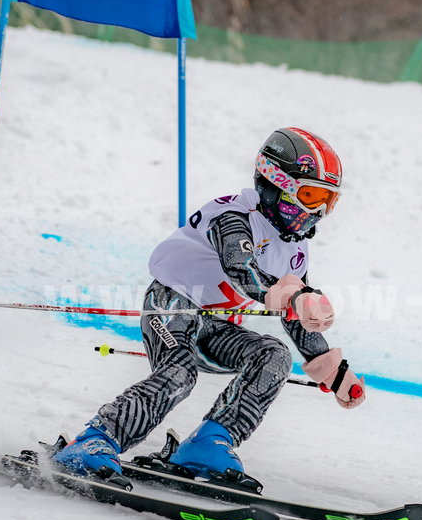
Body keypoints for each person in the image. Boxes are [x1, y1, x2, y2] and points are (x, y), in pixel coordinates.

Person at [54, 127, 366, 488]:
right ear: (274, 182)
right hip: (172, 307)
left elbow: (297, 317)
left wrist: (332, 371)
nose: (317, 212)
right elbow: (241, 267)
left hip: (215, 327)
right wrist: (290, 295)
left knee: (274, 355)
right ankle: (96, 440)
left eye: (328, 202)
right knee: (180, 373)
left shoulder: (294, 249)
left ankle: (207, 444)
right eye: (310, 196)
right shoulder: (235, 215)